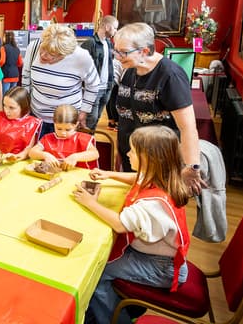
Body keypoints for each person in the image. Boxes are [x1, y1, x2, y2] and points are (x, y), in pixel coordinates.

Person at [74, 125, 191, 324]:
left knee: (96, 273)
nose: (127, 154)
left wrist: (90, 202)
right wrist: (109, 174)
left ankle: (115, 319)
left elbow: (120, 225)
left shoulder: (153, 204)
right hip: (156, 258)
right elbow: (137, 179)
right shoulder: (162, 175)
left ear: (149, 159)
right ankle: (106, 307)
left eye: (133, 151)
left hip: (161, 267)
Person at [113, 22, 205, 195]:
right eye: (116, 50)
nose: (117, 56)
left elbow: (188, 127)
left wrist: (191, 166)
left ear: (145, 51)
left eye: (123, 52)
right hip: (132, 157)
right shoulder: (130, 69)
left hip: (157, 160)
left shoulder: (171, 75)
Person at [21, 24, 100, 135]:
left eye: (51, 54)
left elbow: (93, 85)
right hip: (36, 116)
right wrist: (26, 104)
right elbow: (26, 75)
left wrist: (84, 112)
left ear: (64, 55)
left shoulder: (81, 57)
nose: (43, 55)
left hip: (65, 121)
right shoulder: (33, 47)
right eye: (43, 48)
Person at [29, 104, 99, 170]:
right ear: (54, 123)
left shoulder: (82, 138)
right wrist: (45, 155)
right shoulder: (47, 138)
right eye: (59, 128)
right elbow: (32, 153)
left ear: (76, 124)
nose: (63, 133)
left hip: (76, 176)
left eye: (68, 130)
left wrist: (75, 157)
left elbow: (95, 154)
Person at [80, 15, 119, 131]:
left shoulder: (109, 43)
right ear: (107, 27)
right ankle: (85, 142)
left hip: (107, 87)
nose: (116, 31)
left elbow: (110, 64)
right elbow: (81, 66)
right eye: (115, 28)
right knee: (91, 119)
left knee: (96, 119)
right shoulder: (89, 43)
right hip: (93, 88)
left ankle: (91, 140)